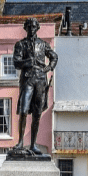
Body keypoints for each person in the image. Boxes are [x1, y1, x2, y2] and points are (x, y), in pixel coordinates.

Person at [12, 17, 58, 155]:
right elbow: (16, 62)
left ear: (37, 28)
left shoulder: (43, 45)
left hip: (40, 80)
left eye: (33, 27)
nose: (31, 29)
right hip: (27, 80)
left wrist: (49, 67)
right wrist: (28, 61)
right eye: (29, 27)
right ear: (25, 28)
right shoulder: (20, 45)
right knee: (24, 110)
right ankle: (20, 142)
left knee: (37, 114)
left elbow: (54, 57)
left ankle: (33, 144)